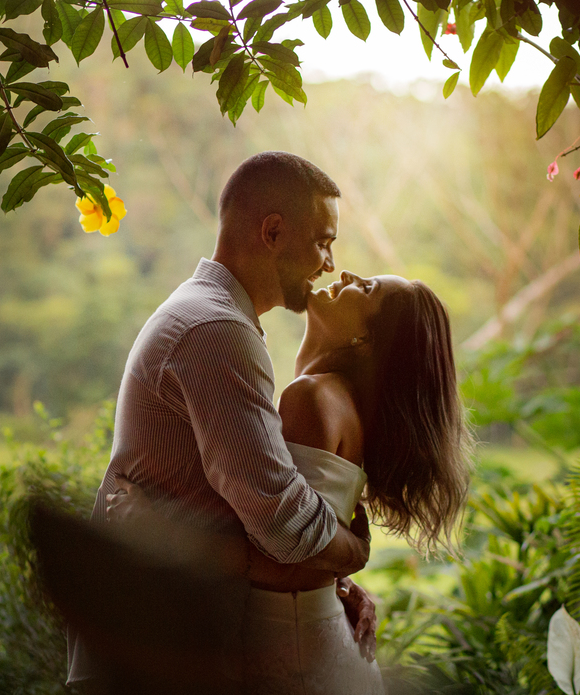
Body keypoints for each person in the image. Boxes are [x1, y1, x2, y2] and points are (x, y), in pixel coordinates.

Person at [66, 152, 378, 691]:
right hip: (155, 647)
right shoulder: (215, 330)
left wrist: (331, 586)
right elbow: (281, 520)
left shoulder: (211, 316)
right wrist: (353, 553)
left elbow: (242, 519)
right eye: (323, 241)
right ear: (274, 231)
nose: (329, 262)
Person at [108, 268, 475, 694]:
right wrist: (344, 570)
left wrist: (160, 532)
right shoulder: (333, 399)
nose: (347, 273)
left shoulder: (312, 397)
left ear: (365, 340)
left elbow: (283, 563)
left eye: (367, 288)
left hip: (290, 647)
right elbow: (303, 545)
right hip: (310, 633)